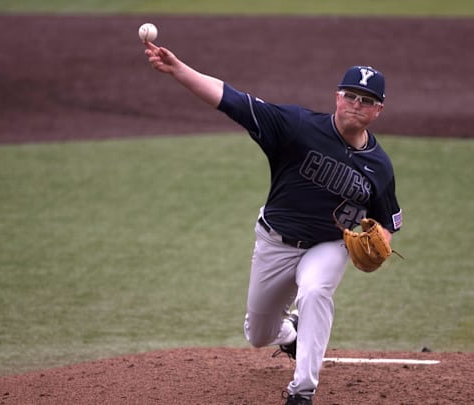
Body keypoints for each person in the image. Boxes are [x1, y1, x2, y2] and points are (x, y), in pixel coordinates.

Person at [143, 41, 402, 405]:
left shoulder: (380, 167)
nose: (357, 105)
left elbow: (386, 219)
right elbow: (231, 100)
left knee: (315, 292)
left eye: (367, 100)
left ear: (379, 110)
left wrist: (382, 241)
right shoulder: (296, 126)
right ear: (337, 97)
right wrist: (179, 69)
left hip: (328, 245)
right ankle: (290, 334)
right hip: (275, 242)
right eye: (351, 96)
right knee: (258, 333)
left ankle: (302, 391)